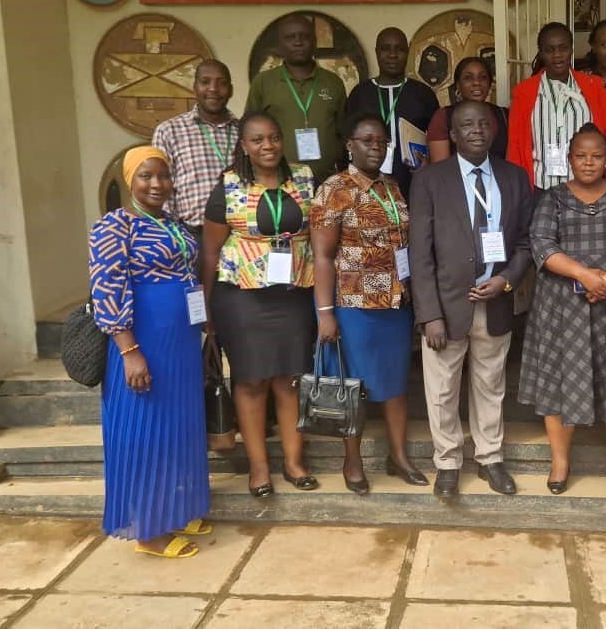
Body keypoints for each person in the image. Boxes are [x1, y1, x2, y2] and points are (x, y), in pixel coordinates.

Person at [518, 124, 606, 498]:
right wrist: (583, 274)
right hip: (562, 306)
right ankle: (560, 463)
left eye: (596, 156)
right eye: (580, 155)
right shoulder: (551, 199)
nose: (588, 162)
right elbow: (542, 244)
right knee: (560, 382)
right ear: (568, 160)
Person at [88, 146, 210, 559]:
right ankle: (148, 530)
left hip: (181, 339)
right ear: (129, 180)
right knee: (146, 429)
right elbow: (107, 290)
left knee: (178, 425)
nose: (156, 184)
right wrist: (129, 350)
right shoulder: (114, 227)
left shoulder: (172, 223)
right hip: (144, 340)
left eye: (163, 176)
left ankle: (174, 508)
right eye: (146, 176)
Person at [410, 100, 533, 499]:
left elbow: (525, 241)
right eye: (467, 124)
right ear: (454, 134)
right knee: (442, 389)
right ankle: (447, 463)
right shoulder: (431, 180)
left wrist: (507, 281)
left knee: (491, 385)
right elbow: (419, 252)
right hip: (446, 306)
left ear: (495, 130)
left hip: (494, 300)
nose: (477, 129)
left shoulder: (514, 178)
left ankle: (490, 458)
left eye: (484, 123)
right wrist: (429, 314)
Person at [310, 112, 427, 495]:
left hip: (395, 303)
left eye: (382, 141)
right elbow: (323, 256)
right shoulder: (334, 189)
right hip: (354, 304)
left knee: (395, 384)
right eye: (367, 140)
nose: (376, 147)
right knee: (354, 387)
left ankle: (399, 456)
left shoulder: (392, 187)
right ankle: (353, 461)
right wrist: (325, 313)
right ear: (349, 144)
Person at [201, 112, 317, 498]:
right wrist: (207, 311)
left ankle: (294, 462)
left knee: (290, 381)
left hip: (294, 294)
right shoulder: (229, 185)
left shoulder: (304, 178)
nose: (267, 146)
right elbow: (211, 251)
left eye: (273, 137)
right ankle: (259, 467)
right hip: (241, 297)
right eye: (257, 140)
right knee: (251, 381)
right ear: (245, 146)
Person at [507, 22, 606, 192]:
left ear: (571, 50)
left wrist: (605, 162)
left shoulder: (593, 87)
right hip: (540, 188)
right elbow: (515, 147)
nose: (557, 55)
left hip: (588, 187)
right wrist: (519, 189)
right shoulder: (524, 93)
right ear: (540, 53)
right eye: (549, 50)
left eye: (563, 48)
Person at [245, 13, 348, 182]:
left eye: (305, 36)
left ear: (314, 41)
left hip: (327, 181)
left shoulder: (333, 82)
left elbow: (343, 133)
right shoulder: (263, 82)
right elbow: (250, 131)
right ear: (280, 45)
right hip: (279, 182)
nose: (298, 42)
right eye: (290, 37)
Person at [152, 59, 240, 245]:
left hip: (240, 237)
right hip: (192, 236)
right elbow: (163, 189)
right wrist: (175, 238)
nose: (213, 89)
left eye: (221, 83)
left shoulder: (244, 131)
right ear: (194, 87)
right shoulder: (169, 131)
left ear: (231, 90)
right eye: (205, 82)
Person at [346, 27, 440, 198]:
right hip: (367, 182)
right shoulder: (360, 93)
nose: (393, 55)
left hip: (414, 181)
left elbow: (437, 138)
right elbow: (347, 139)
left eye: (400, 49)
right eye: (385, 49)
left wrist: (429, 163)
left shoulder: (422, 93)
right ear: (376, 52)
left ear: (408, 53)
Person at [427, 57, 508, 163]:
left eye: (483, 77)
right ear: (458, 85)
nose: (476, 83)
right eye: (468, 78)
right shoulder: (444, 117)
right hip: (453, 179)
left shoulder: (504, 115)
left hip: (500, 179)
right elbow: (440, 170)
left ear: (489, 85)